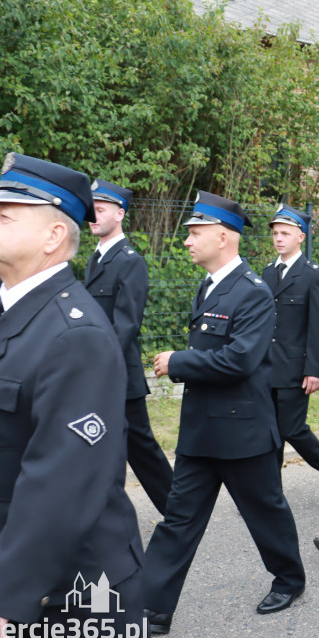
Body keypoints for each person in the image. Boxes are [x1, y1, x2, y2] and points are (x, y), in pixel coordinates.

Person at [0, 153, 153, 638]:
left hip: (66, 593)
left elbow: (63, 480)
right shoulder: (8, 307)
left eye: (4, 216)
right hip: (7, 568)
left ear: (53, 237)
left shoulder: (74, 334)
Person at [144, 192, 305, 635]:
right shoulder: (210, 285)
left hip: (242, 429)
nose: (188, 241)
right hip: (201, 430)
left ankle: (290, 579)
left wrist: (177, 363)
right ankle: (153, 606)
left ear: (224, 236)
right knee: (178, 519)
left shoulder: (253, 293)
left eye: (196, 233)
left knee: (265, 511)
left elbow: (240, 360)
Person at [85, 179, 173, 514]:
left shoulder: (129, 261)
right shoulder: (96, 258)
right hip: (98, 371)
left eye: (101, 209)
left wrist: (96, 364)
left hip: (119, 375)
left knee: (142, 450)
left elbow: (126, 325)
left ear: (120, 213)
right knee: (101, 446)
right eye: (91, 209)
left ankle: (178, 513)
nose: (93, 215)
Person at [261, 204, 319, 504]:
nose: (278, 239)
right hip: (266, 368)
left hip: (296, 369)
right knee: (268, 432)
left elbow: (318, 326)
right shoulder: (267, 273)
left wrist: (315, 369)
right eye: (275, 233)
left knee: (291, 429)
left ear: (300, 236)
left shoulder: (313, 275)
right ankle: (270, 494)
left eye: (285, 233)